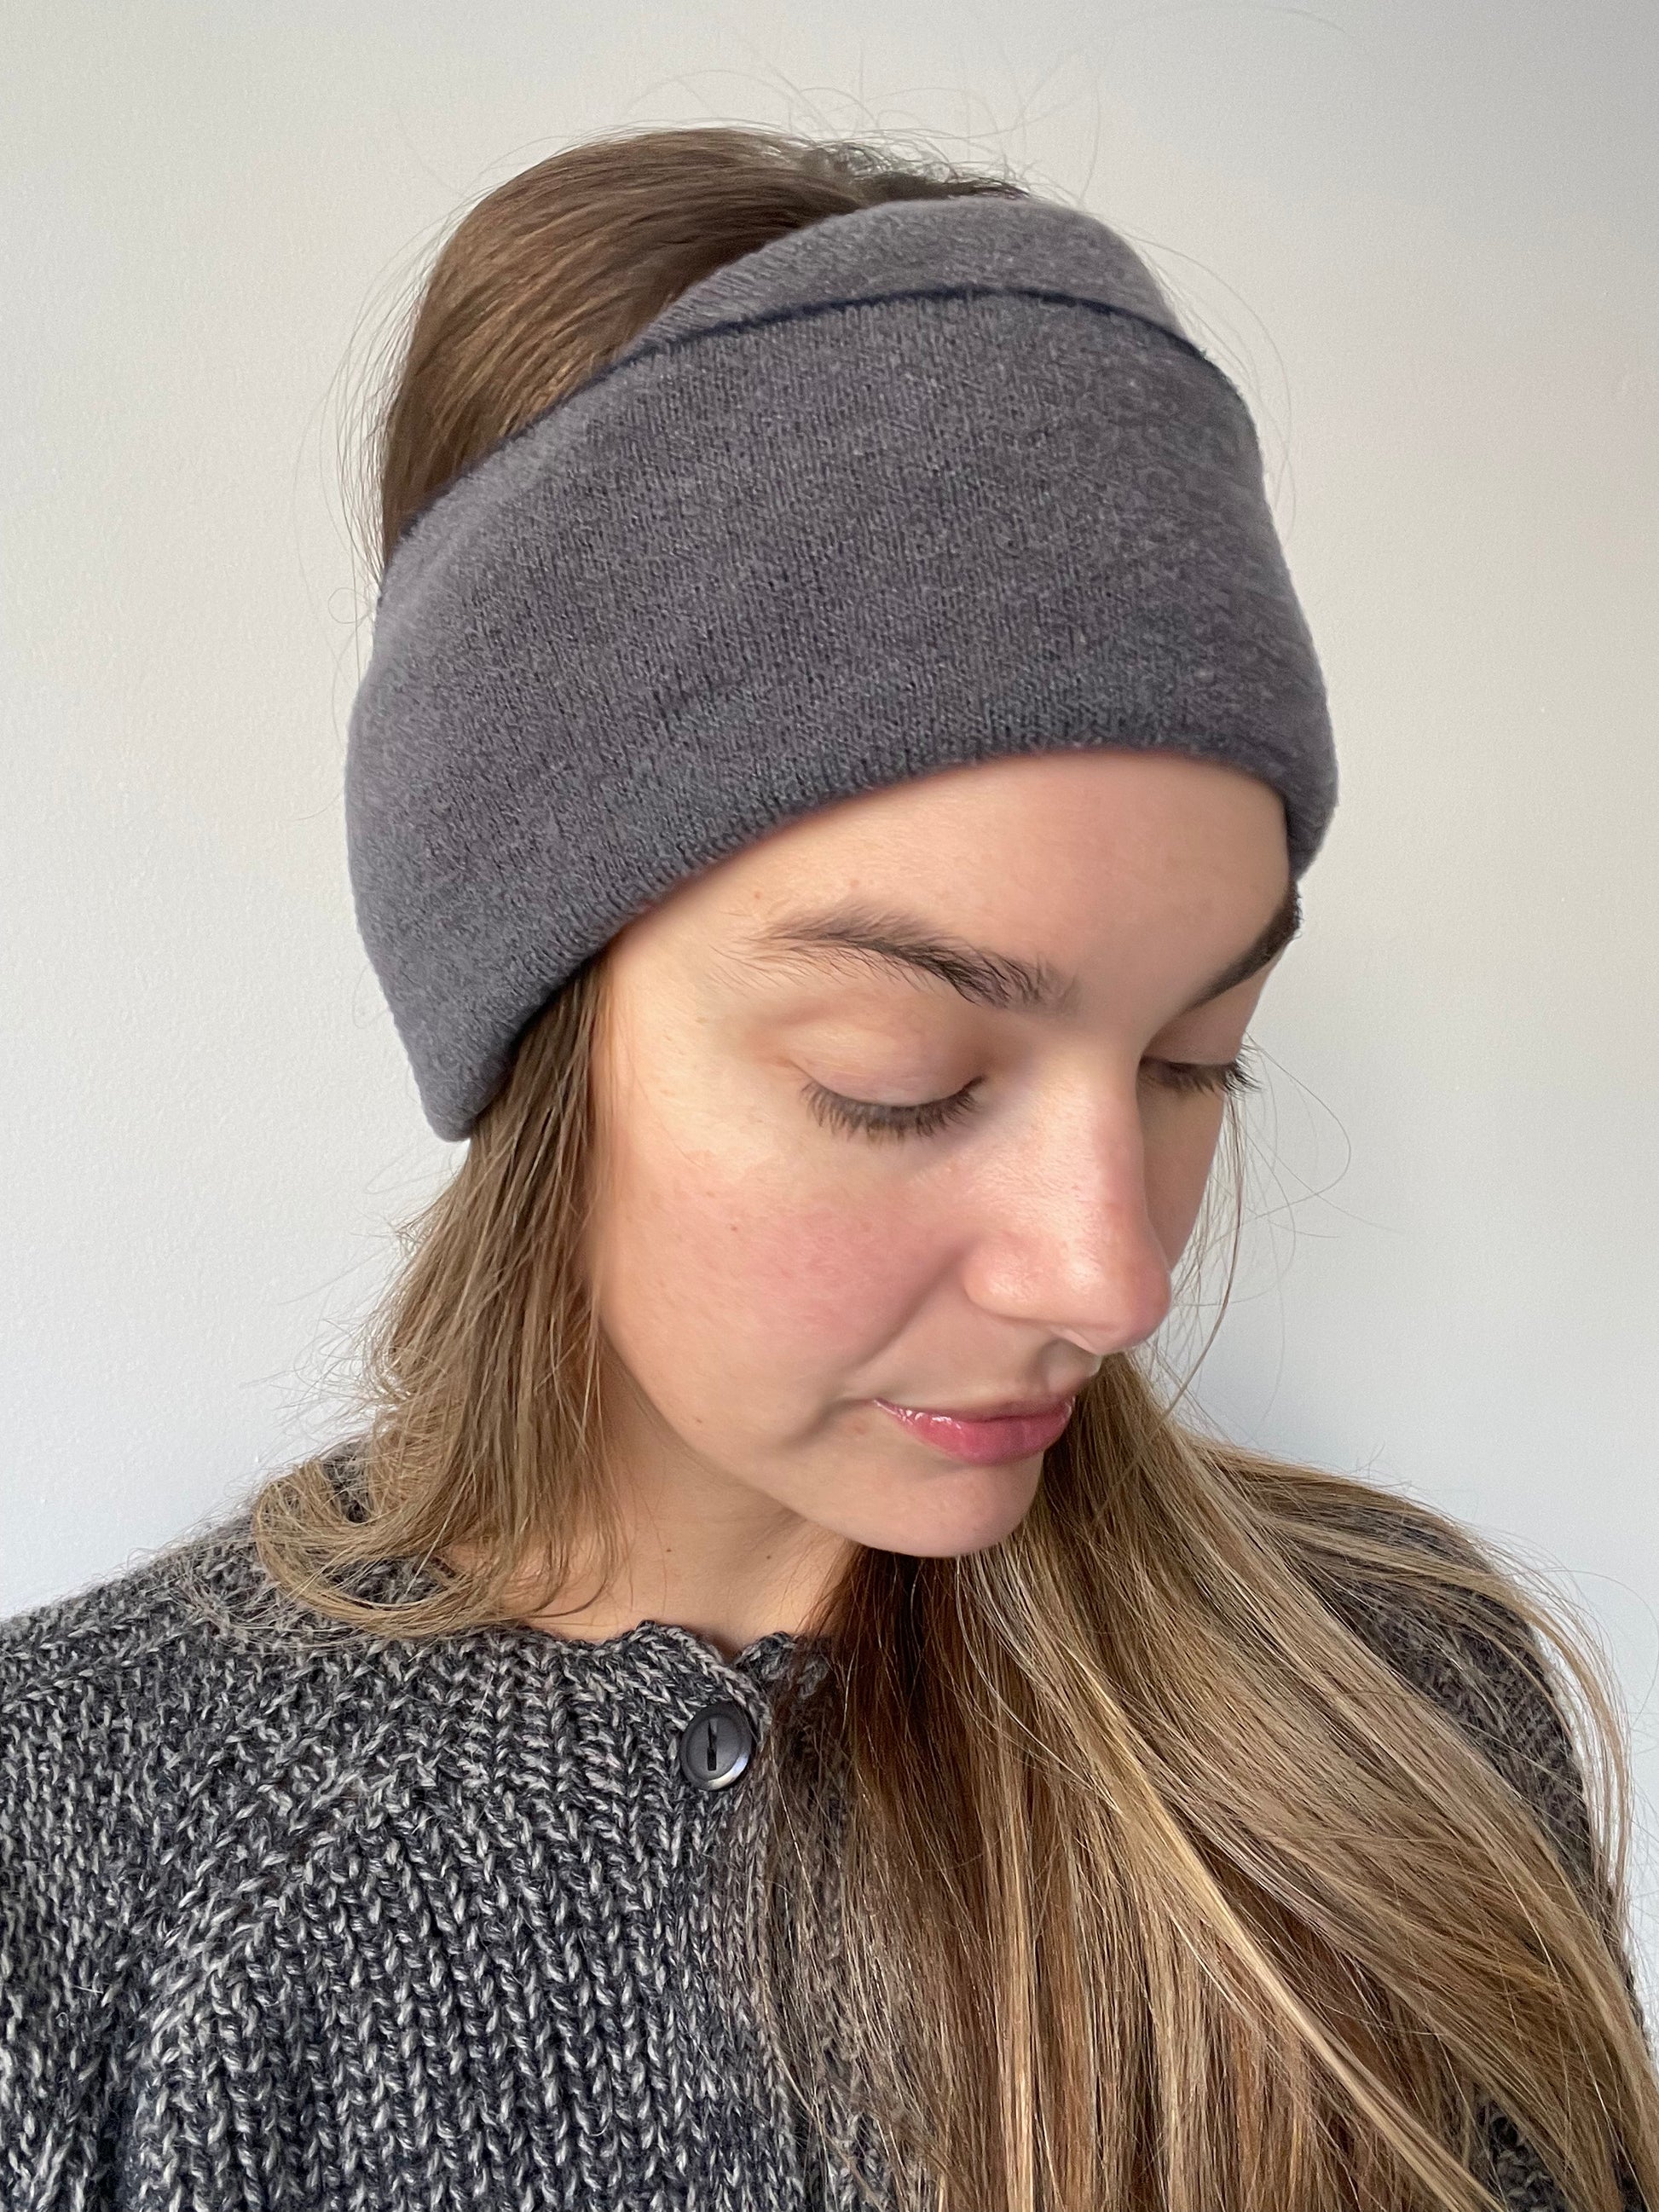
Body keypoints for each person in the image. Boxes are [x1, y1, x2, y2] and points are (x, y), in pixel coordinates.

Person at [2, 122, 1653, 2212]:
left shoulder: (1396, 1715)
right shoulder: (71, 1856)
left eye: (1194, 1059)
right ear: (531, 1024)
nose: (1114, 1280)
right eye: (901, 1079)